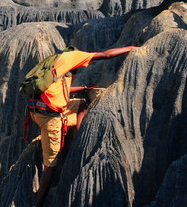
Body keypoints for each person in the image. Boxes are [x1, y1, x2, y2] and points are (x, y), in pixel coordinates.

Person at [27, 45, 138, 207]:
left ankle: (79, 137)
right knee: (50, 164)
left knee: (81, 105)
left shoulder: (55, 62)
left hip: (36, 110)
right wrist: (131, 47)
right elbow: (106, 54)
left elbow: (62, 89)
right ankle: (38, 204)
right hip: (49, 117)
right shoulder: (73, 57)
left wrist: (85, 88)